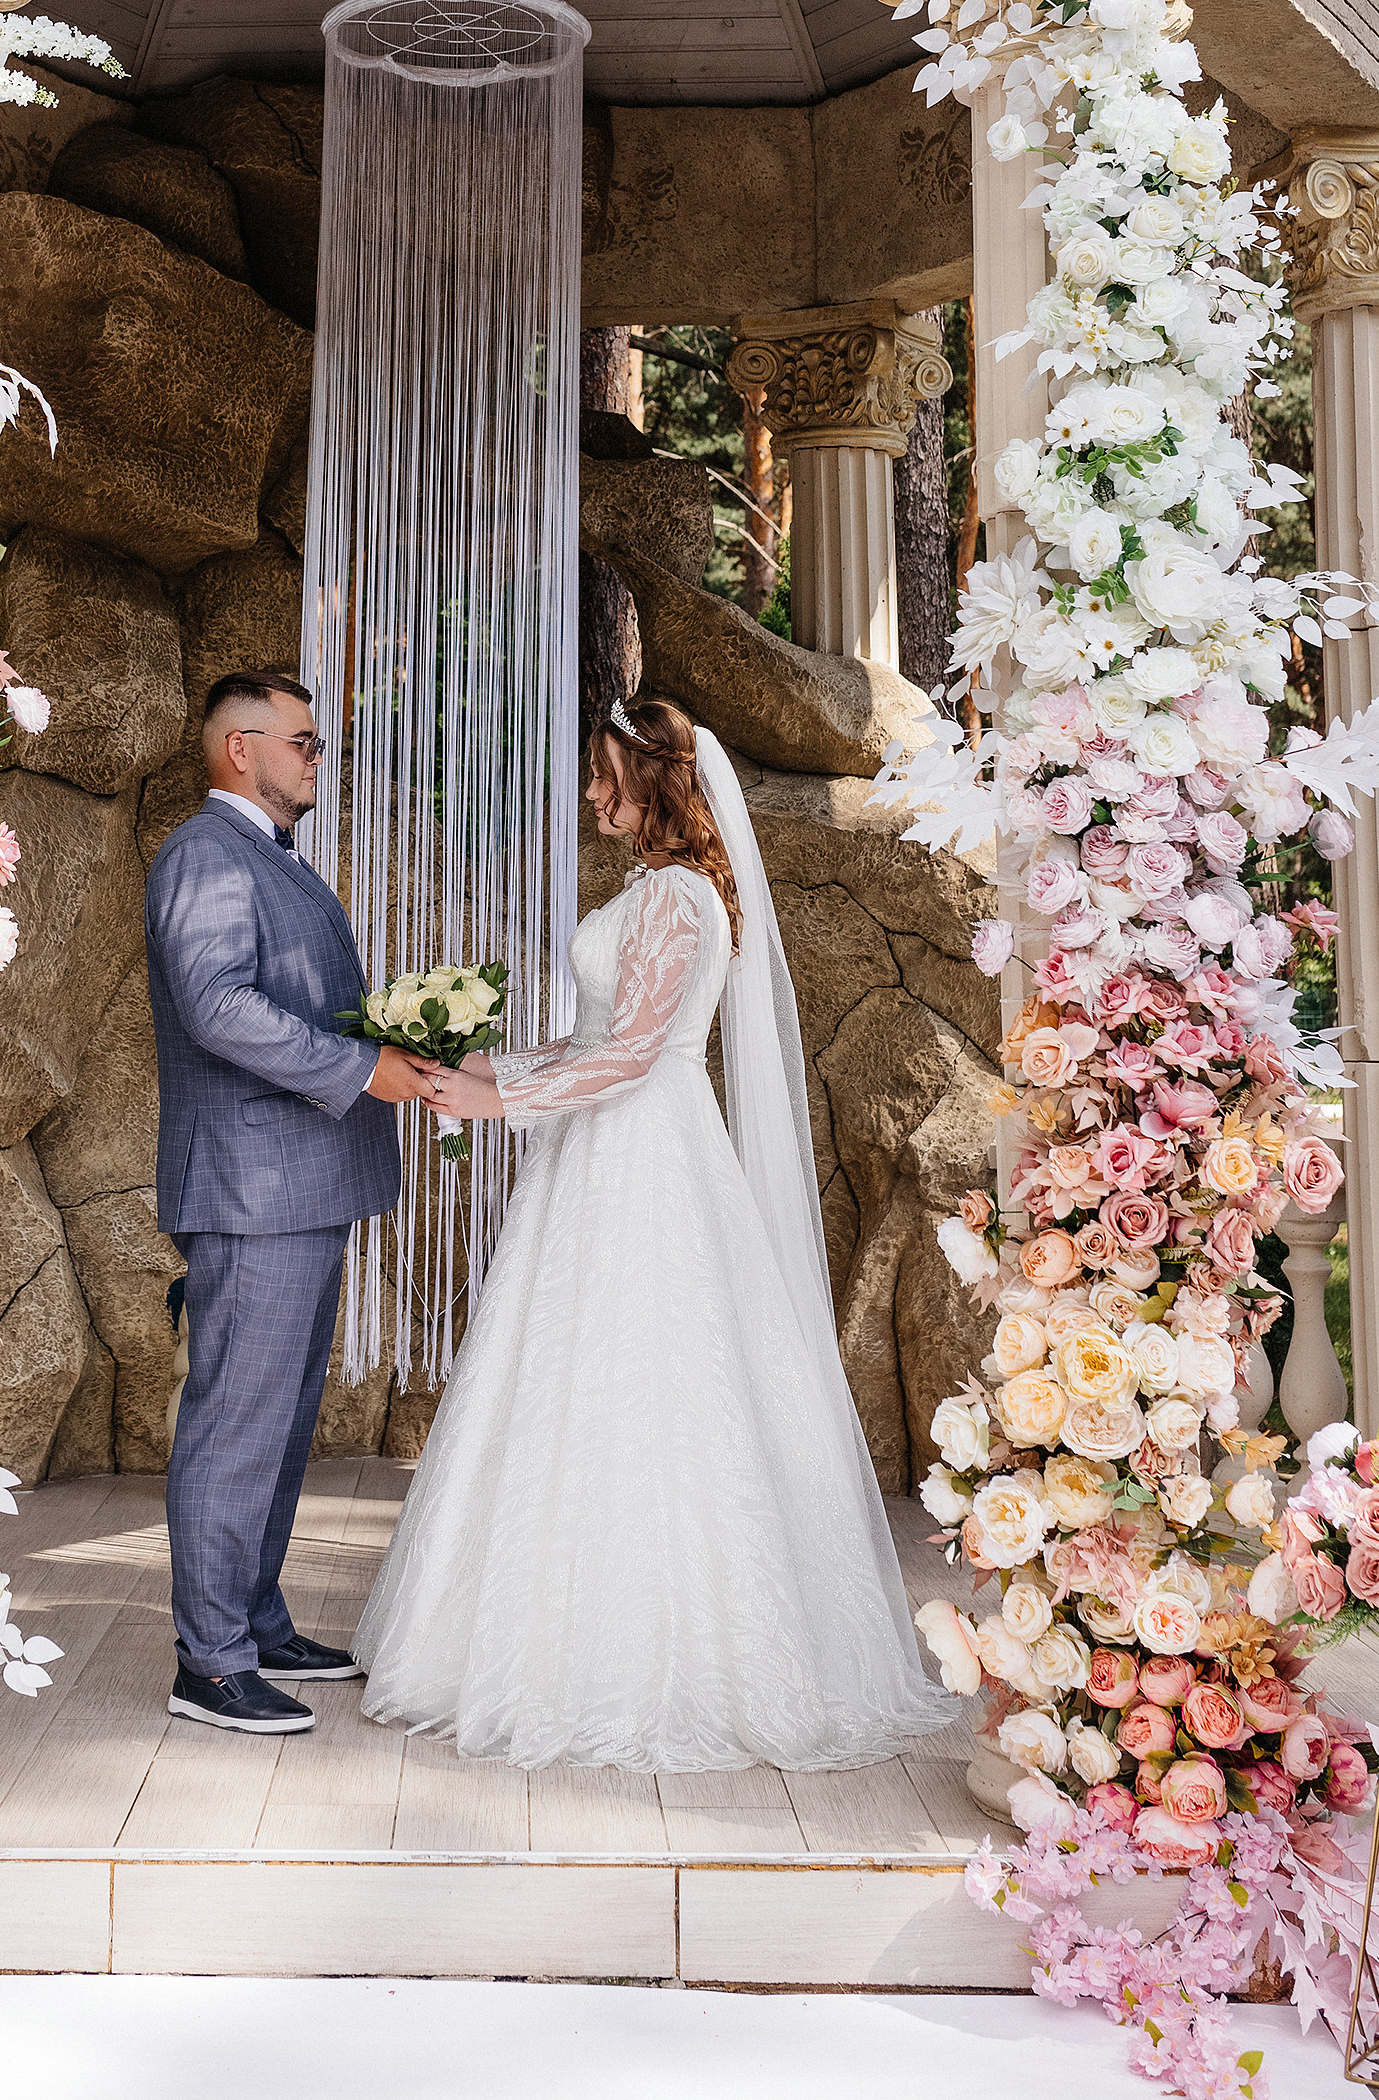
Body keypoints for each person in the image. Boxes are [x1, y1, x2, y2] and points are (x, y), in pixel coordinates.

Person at [353, 691, 957, 1774]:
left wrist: (497, 1104)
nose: (588, 795)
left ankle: (650, 1661)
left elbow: (632, 1054)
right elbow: (596, 1035)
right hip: (601, 1145)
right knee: (568, 1380)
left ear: (652, 778)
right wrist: (474, 1063)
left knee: (651, 1382)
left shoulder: (680, 896)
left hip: (644, 1151)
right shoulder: (654, 890)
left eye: (601, 775)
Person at [146, 668, 445, 1737]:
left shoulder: (271, 860)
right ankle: (210, 1661)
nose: (319, 756)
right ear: (241, 749)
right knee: (235, 1426)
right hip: (251, 1187)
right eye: (304, 740)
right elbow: (217, 1007)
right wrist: (362, 1072)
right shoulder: (203, 855)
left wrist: (388, 1047)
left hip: (298, 1184)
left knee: (274, 1429)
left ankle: (255, 1621)